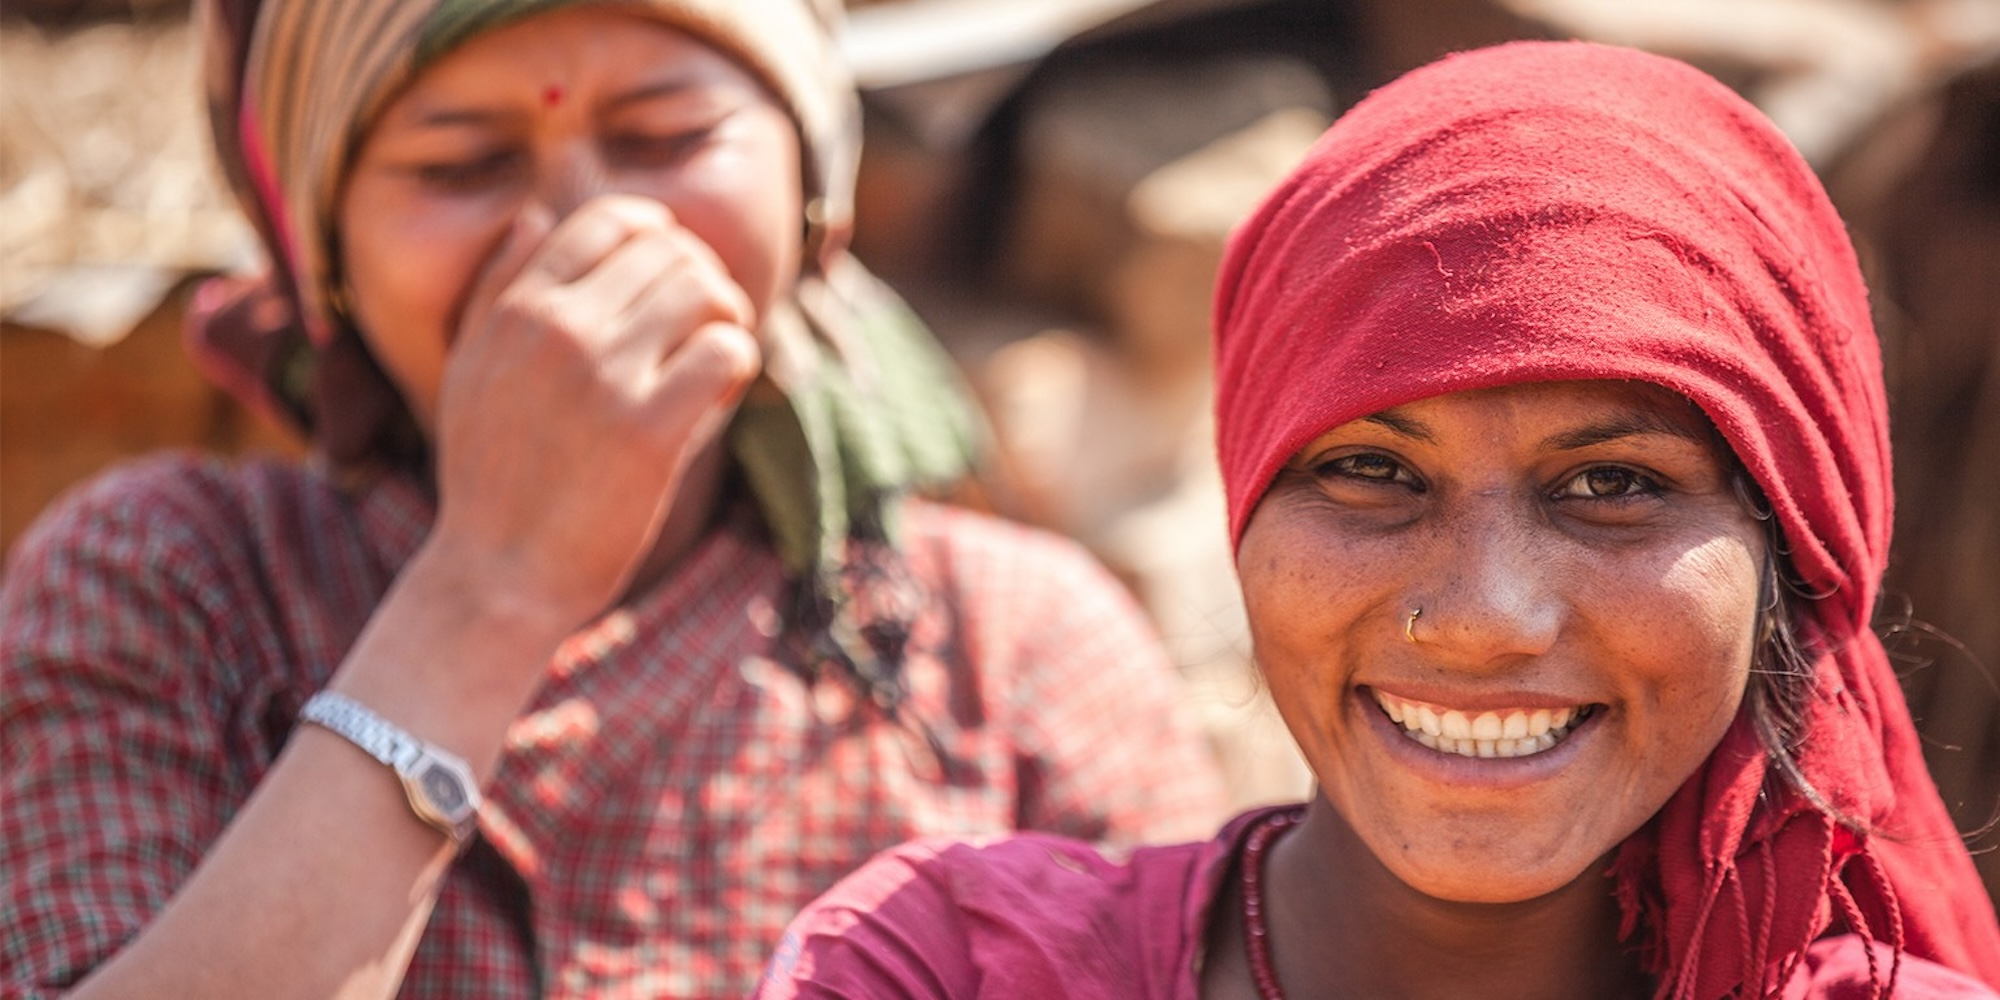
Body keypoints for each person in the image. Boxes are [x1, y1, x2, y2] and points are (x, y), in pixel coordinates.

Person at [0, 1, 1225, 997]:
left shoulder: (1013, 651)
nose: (584, 226)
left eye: (665, 135)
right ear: (328, 262)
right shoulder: (170, 583)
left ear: (817, 206)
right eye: (462, 163)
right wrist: (491, 584)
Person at [754, 41, 2000, 1000]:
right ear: (1244, 510)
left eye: (1610, 484)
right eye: (1369, 470)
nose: (1481, 618)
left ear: (1791, 549)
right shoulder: (944, 965)